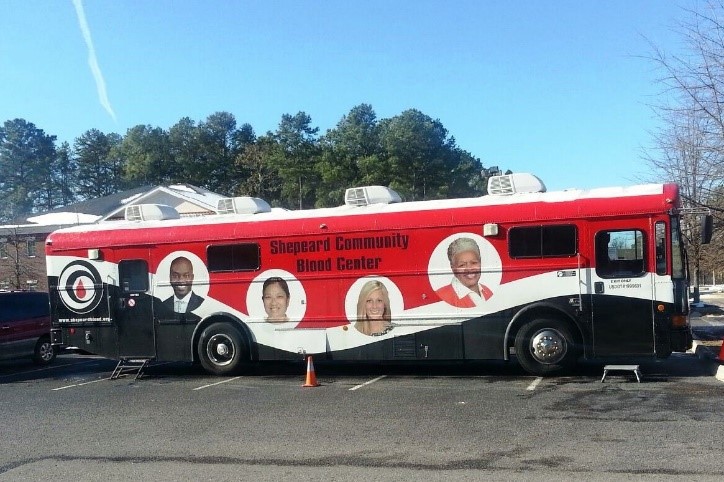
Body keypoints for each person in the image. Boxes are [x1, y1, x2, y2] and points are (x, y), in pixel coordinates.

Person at [435, 237, 493, 308]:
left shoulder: (487, 291)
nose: (469, 268)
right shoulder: (442, 296)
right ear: (453, 268)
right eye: (462, 265)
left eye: (474, 263)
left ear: (480, 262)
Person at [162, 256, 204, 321]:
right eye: (175, 276)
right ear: (170, 278)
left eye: (186, 275)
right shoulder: (164, 304)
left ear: (192, 278)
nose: (181, 280)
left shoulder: (201, 303)